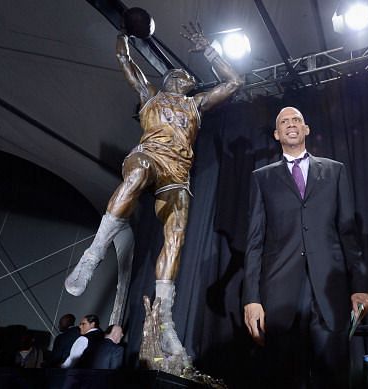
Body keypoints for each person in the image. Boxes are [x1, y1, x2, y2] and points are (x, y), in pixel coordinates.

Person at [64, 23, 243, 356]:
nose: (189, 77)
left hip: (178, 172)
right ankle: (95, 252)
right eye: (182, 74)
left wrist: (209, 49)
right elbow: (123, 57)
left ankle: (164, 318)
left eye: (191, 75)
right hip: (149, 156)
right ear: (171, 79)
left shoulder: (197, 104)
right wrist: (124, 31)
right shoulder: (151, 94)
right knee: (139, 172)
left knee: (176, 236)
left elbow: (235, 82)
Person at [242, 107, 368, 388]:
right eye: (284, 122)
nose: (291, 124)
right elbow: (254, 242)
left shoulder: (335, 171)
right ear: (277, 134)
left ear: (306, 129)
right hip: (280, 295)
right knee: (284, 378)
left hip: (329, 291)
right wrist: (251, 299)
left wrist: (359, 284)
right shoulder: (261, 178)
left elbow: (348, 233)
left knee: (333, 377)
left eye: (297, 120)